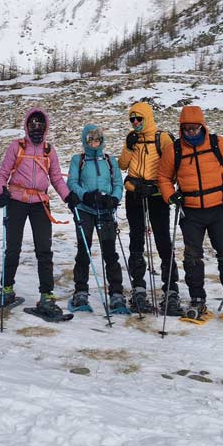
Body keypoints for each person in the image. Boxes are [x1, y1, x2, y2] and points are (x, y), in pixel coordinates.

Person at [156, 105, 223, 319]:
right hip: (190, 212)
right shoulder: (175, 150)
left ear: (203, 126)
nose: (191, 132)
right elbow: (163, 177)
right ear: (181, 128)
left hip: (219, 207)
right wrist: (170, 195)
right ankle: (197, 298)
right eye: (187, 129)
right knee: (192, 256)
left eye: (195, 128)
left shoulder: (218, 144)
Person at [0, 108, 76, 319]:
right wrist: (2, 192)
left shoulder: (49, 151)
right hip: (16, 201)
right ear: (27, 126)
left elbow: (56, 179)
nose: (36, 128)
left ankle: (47, 296)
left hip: (40, 202)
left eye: (40, 125)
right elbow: (3, 174)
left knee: (44, 250)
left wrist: (69, 197)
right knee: (12, 247)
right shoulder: (17, 147)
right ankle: (7, 290)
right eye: (33, 125)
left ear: (45, 127)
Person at [118, 101, 181, 316]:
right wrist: (128, 146)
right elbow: (122, 165)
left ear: (147, 117)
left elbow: (172, 165)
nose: (135, 122)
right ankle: (138, 288)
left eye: (139, 118)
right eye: (132, 119)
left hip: (156, 194)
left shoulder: (161, 137)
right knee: (136, 239)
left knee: (163, 240)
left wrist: (159, 185)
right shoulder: (131, 137)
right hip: (134, 193)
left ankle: (171, 290)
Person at [65, 125, 127, 313]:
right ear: (85, 141)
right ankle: (80, 291)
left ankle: (116, 293)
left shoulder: (110, 160)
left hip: (106, 210)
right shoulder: (79, 160)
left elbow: (118, 183)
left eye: (97, 139)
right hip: (85, 209)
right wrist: (86, 195)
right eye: (90, 140)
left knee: (110, 252)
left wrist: (114, 198)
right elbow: (72, 183)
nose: (94, 143)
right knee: (84, 250)